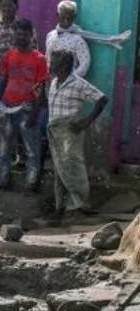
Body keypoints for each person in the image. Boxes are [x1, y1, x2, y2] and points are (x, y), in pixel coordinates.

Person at [30, 50, 108, 220]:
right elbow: (49, 106)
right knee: (60, 169)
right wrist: (38, 97)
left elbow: (102, 99)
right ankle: (62, 206)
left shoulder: (78, 84)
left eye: (53, 63)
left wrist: (87, 121)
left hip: (70, 129)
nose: (49, 65)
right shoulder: (54, 82)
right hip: (55, 129)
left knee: (72, 165)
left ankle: (81, 205)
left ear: (64, 65)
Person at [0, 19, 48, 192]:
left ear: (30, 36)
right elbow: (4, 81)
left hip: (27, 108)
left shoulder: (39, 59)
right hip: (7, 107)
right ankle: (4, 181)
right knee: (4, 149)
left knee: (31, 150)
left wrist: (35, 113)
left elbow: (41, 89)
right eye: (18, 34)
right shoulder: (8, 56)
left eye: (24, 34)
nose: (20, 37)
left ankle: (31, 183)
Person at [0, 0, 34, 93]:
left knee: (14, 105)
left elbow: (33, 51)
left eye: (10, 5)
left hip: (17, 76)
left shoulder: (24, 27)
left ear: (16, 7)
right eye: (3, 6)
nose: (6, 9)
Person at [46, 0, 92, 78]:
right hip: (51, 81)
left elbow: (85, 63)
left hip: (68, 84)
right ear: (58, 15)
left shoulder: (78, 40)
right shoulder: (50, 35)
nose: (66, 21)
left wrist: (69, 79)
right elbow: (47, 57)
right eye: (63, 17)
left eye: (69, 18)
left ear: (74, 17)